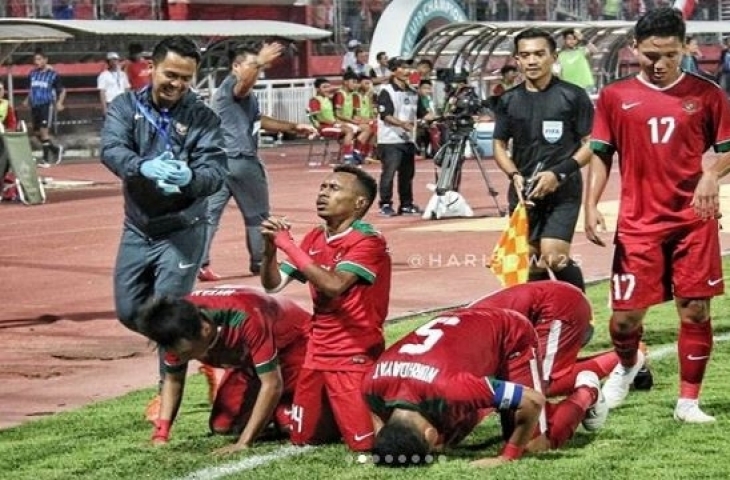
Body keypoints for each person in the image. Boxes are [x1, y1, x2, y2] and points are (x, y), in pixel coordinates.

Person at [585, 7, 730, 423]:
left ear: (685, 47)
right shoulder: (614, 97)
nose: (661, 63)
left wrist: (711, 175)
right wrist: (590, 204)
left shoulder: (707, 95)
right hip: (638, 223)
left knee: (696, 311)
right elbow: (600, 153)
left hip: (694, 221)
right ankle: (629, 364)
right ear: (635, 48)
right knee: (625, 320)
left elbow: (727, 149)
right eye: (651, 54)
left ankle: (688, 402)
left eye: (670, 54)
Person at [100, 35, 227, 417]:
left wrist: (190, 177)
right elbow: (110, 148)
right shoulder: (124, 107)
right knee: (128, 310)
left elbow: (216, 172)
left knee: (168, 308)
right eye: (170, 74)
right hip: (138, 226)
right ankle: (207, 352)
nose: (177, 85)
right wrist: (141, 166)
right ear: (150, 68)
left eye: (186, 79)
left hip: (183, 227)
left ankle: (165, 394)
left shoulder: (203, 116)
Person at [362, 307, 608, 468]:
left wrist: (507, 456)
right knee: (452, 433)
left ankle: (588, 390)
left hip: (511, 335)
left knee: (534, 445)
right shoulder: (371, 384)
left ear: (429, 435)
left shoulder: (453, 389)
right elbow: (376, 413)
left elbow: (532, 401)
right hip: (460, 328)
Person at [260, 165, 390, 452]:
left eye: (334, 189)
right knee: (303, 438)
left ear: (360, 203)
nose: (323, 194)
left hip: (353, 352)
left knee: (365, 445)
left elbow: (334, 285)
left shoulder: (368, 240)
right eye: (323, 187)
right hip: (317, 351)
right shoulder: (314, 238)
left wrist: (289, 246)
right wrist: (270, 249)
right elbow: (273, 285)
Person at [134, 286, 309, 454]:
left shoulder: (246, 317)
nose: (181, 359)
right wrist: (161, 434)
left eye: (188, 353)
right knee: (223, 426)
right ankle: (274, 410)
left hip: (294, 348)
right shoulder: (175, 329)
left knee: (295, 425)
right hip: (249, 362)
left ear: (205, 329)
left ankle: (287, 408)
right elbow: (173, 380)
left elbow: (272, 384)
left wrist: (244, 442)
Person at [197, 42, 316, 282]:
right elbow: (243, 85)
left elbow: (259, 120)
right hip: (240, 159)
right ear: (236, 66)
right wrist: (259, 61)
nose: (258, 70)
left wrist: (293, 127)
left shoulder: (240, 96)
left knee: (209, 216)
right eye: (252, 66)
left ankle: (199, 263)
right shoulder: (233, 85)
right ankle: (260, 261)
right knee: (257, 216)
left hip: (219, 161)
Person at [492, 28, 596, 292]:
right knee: (532, 262)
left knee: (553, 255)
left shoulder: (573, 96)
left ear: (554, 56)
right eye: (524, 55)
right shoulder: (508, 100)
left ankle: (579, 315)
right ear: (516, 59)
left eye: (539, 54)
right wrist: (513, 175)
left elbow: (591, 143)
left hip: (563, 190)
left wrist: (559, 173)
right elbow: (499, 145)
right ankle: (542, 323)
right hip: (524, 192)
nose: (532, 61)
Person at [468, 280, 648, 397]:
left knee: (538, 388)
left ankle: (628, 356)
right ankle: (621, 358)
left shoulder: (459, 340)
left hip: (558, 308)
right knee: (519, 382)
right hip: (547, 309)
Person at [376, 57, 421, 217]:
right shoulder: (386, 90)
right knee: (389, 173)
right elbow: (385, 115)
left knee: (407, 174)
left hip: (408, 139)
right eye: (403, 67)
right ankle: (385, 204)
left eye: (409, 67)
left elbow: (422, 113)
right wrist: (402, 124)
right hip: (390, 140)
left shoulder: (413, 91)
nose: (407, 70)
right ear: (394, 71)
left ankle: (406, 204)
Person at [23, 48, 65, 165]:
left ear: (45, 60)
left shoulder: (53, 75)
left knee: (44, 131)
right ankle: (55, 149)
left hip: (46, 105)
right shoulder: (32, 73)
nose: (37, 61)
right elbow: (32, 89)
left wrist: (59, 102)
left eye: (39, 59)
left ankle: (46, 160)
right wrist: (27, 99)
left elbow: (61, 90)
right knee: (36, 133)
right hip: (35, 105)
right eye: (35, 59)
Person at [97, 52, 130, 116]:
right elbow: (102, 93)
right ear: (108, 62)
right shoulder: (103, 75)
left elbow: (127, 89)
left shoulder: (123, 74)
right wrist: (104, 109)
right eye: (112, 60)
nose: (114, 62)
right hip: (111, 103)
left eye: (116, 60)